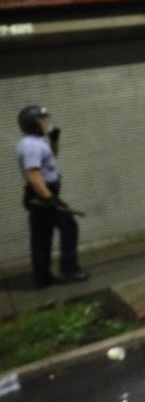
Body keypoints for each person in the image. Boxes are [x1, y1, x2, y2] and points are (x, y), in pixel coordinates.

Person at [16, 105, 88, 289]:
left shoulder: (35, 142)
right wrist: (49, 199)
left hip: (39, 195)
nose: (46, 122)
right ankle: (69, 270)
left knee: (41, 236)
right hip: (41, 195)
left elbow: (50, 160)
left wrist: (54, 140)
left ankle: (43, 277)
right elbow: (33, 175)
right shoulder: (31, 145)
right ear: (33, 124)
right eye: (43, 119)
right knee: (69, 226)